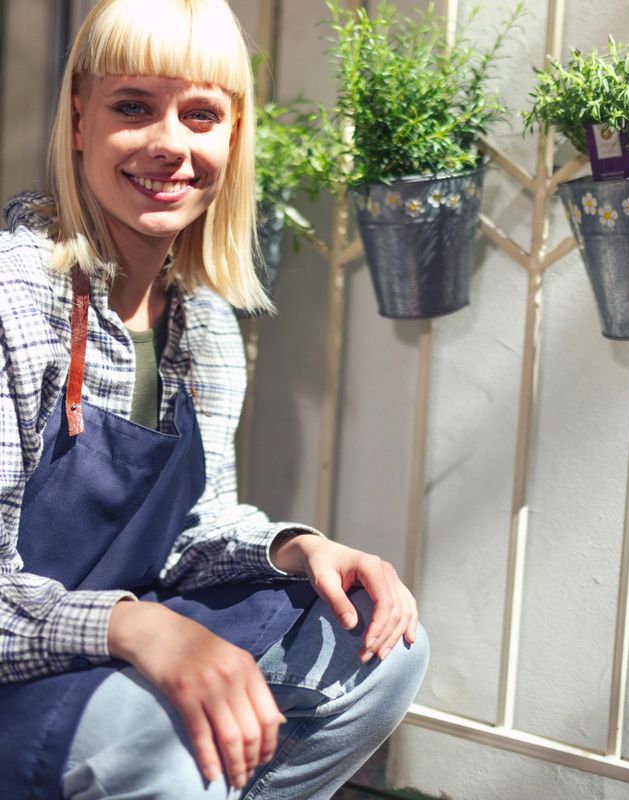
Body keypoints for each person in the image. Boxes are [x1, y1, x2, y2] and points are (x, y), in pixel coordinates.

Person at [0, 1, 428, 798]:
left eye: (201, 114)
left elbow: (187, 531)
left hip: (108, 644)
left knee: (378, 644)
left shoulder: (201, 322)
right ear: (80, 121)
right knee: (167, 746)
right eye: (134, 106)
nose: (170, 143)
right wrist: (136, 626)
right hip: (18, 671)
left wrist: (297, 549)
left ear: (233, 137)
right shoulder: (12, 299)